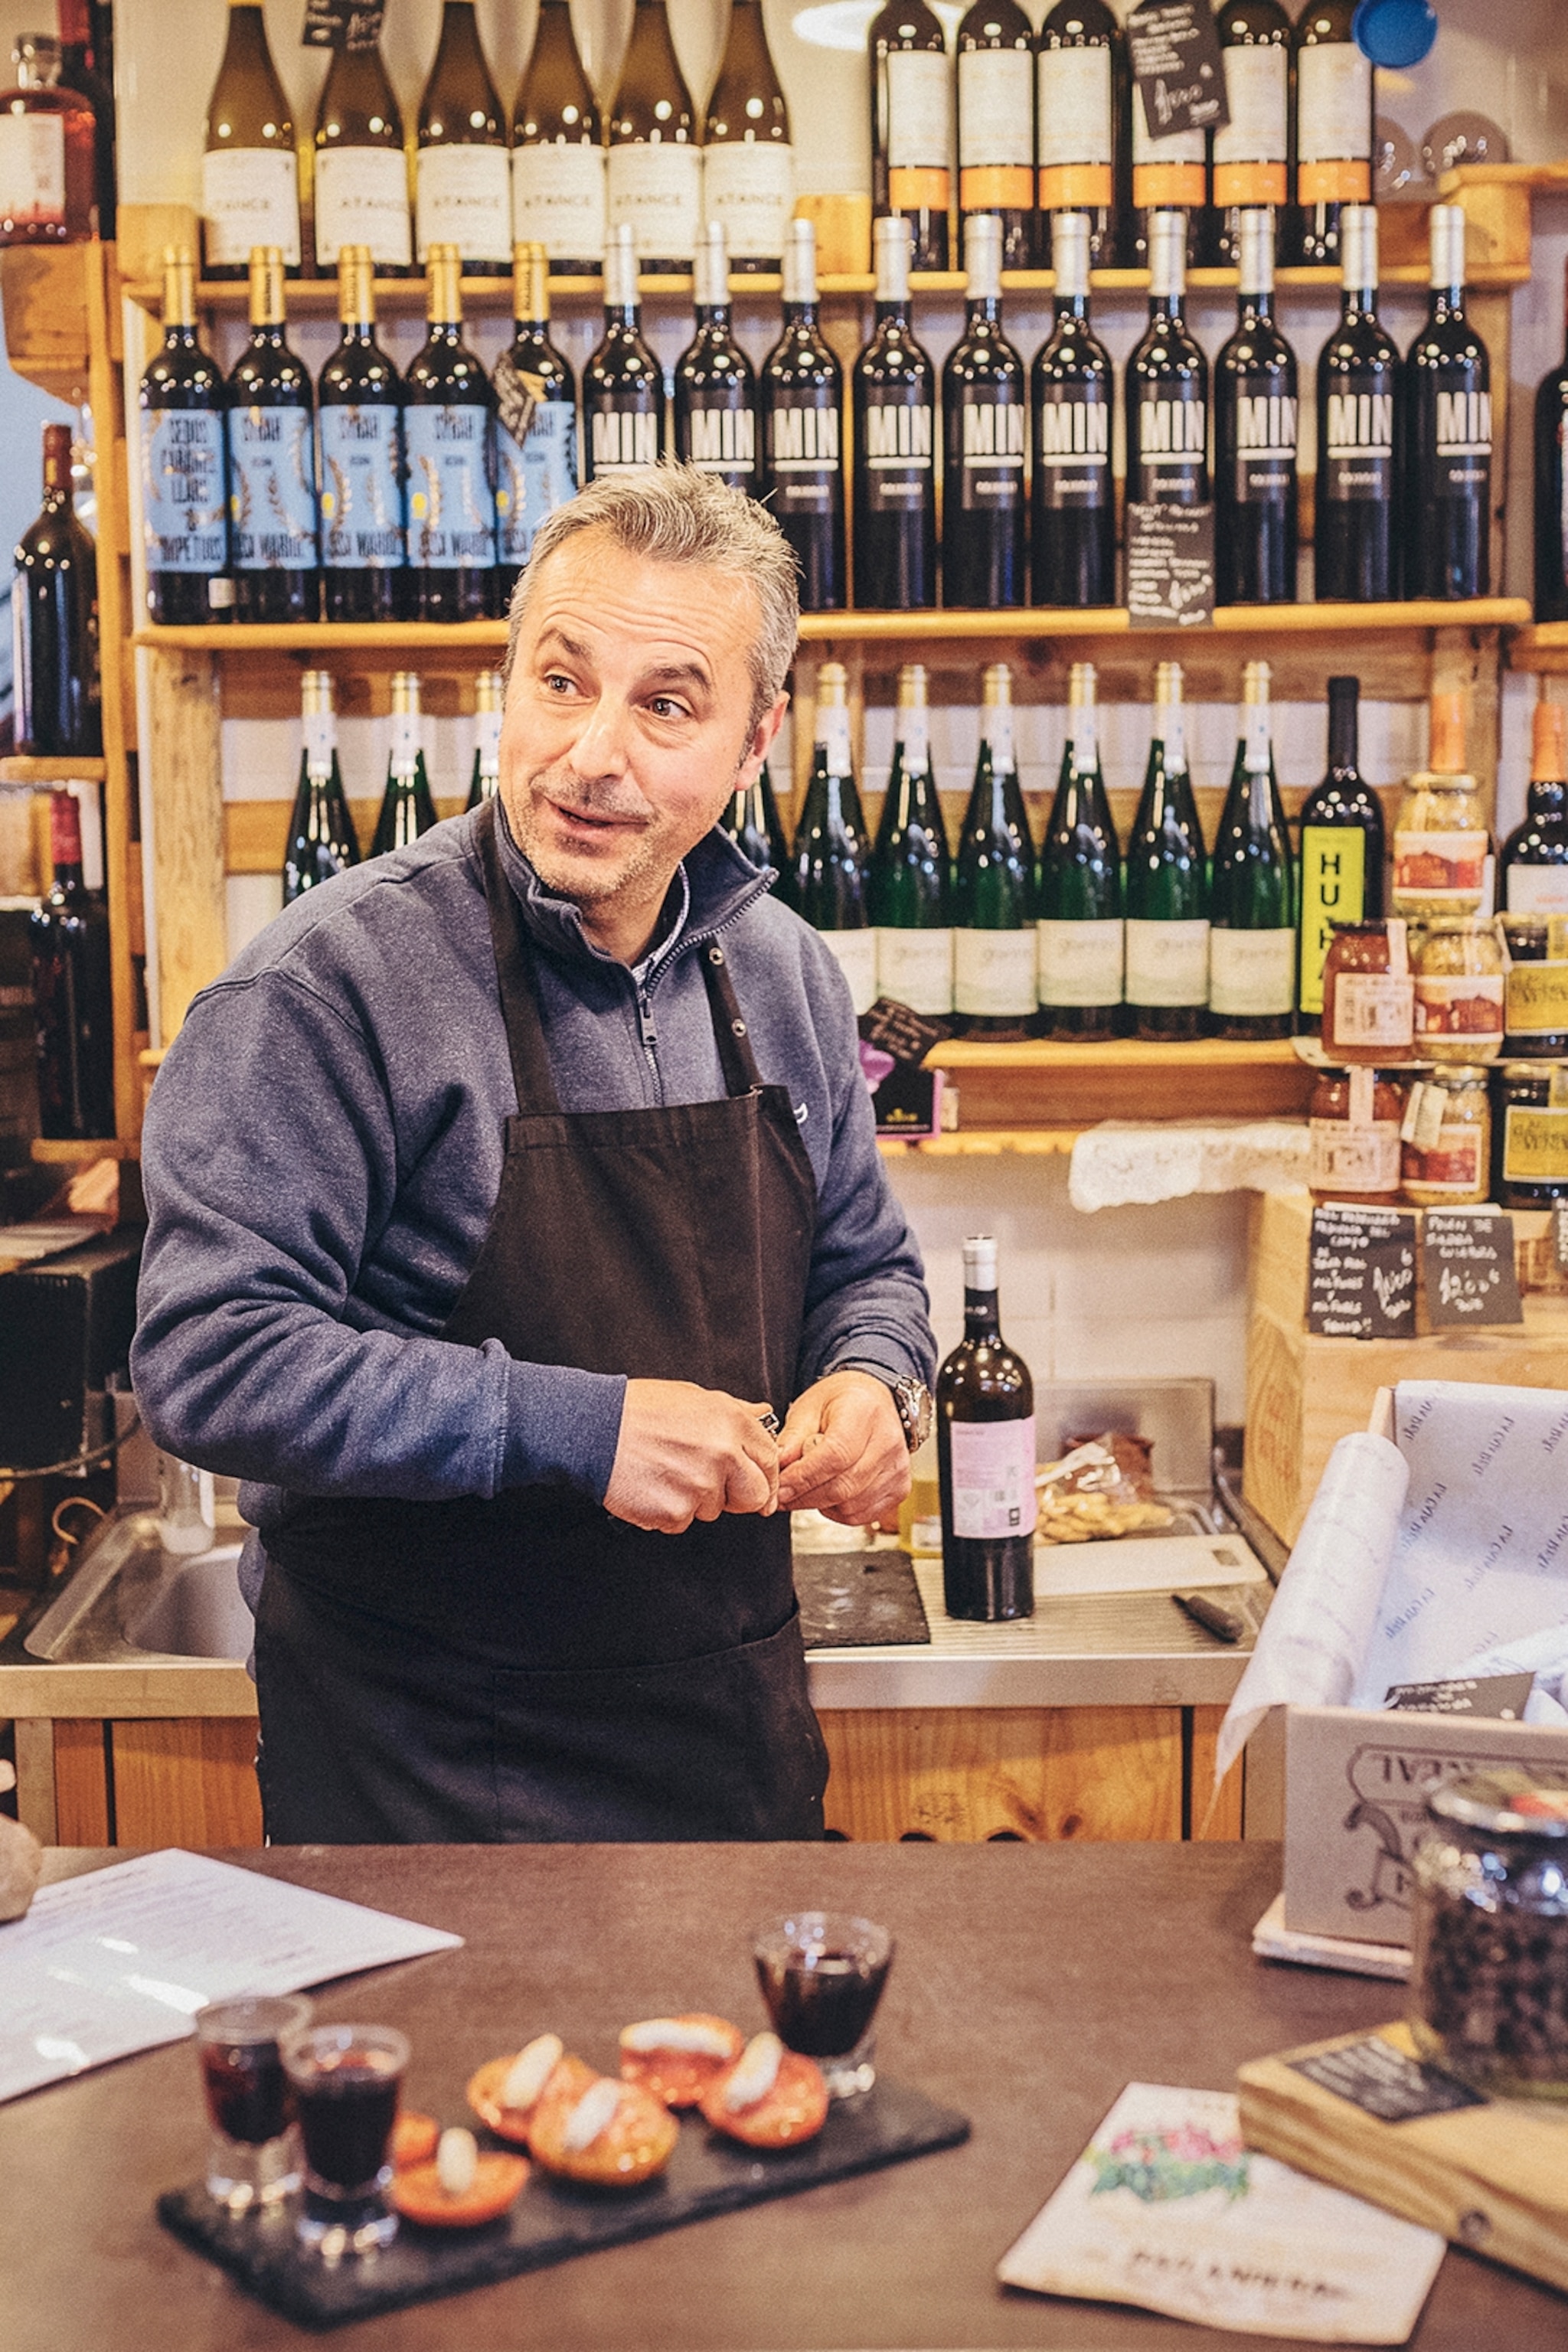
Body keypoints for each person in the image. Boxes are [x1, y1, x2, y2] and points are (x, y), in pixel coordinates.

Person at [132, 466, 936, 1844]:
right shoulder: (330, 989)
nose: (591, 755)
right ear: (504, 683)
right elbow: (210, 1357)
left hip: (723, 1748)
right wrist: (583, 1428)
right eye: (561, 682)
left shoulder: (785, 973)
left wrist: (875, 1379)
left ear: (758, 744)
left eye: (666, 704)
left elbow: (868, 1266)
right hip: (420, 1775)